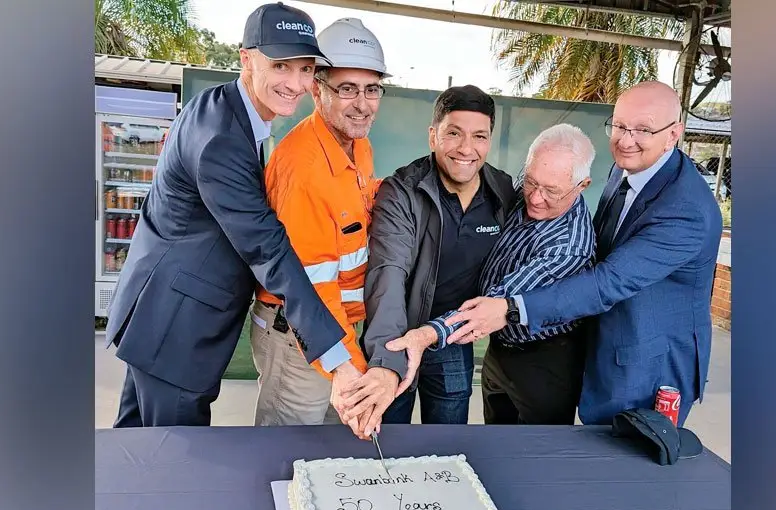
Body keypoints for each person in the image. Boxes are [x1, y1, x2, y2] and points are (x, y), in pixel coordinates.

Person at [105, 3, 364, 432]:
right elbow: (268, 247)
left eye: (305, 69)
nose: (296, 84)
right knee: (174, 461)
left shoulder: (221, 107)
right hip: (177, 327)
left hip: (157, 316)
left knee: (135, 450)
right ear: (247, 58)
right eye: (281, 65)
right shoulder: (222, 139)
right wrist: (336, 357)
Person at [442, 81, 723, 427]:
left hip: (646, 362)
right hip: (592, 344)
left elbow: (609, 281)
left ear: (673, 133)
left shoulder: (688, 209)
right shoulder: (624, 167)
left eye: (644, 129)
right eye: (619, 125)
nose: (625, 139)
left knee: (620, 465)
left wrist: (514, 307)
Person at [385, 124, 598, 425]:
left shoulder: (569, 246)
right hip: (500, 349)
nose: (535, 198)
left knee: (532, 451)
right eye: (531, 182)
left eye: (551, 192)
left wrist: (425, 335)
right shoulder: (524, 189)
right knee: (493, 437)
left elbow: (493, 305)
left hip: (541, 361)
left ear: (582, 185)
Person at [343, 85, 516, 433]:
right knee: (388, 440)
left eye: (479, 136)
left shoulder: (503, 192)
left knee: (447, 444)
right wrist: (385, 361)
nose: (467, 148)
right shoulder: (402, 191)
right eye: (454, 133)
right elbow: (388, 273)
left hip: (451, 338)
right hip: (398, 336)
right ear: (433, 135)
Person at [250, 18, 389, 428]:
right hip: (300, 336)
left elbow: (354, 209)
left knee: (329, 451)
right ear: (317, 90)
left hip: (338, 330)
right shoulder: (304, 168)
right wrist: (351, 363)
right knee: (287, 452)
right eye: (347, 89)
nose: (362, 104)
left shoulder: (357, 145)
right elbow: (311, 286)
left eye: (372, 89)